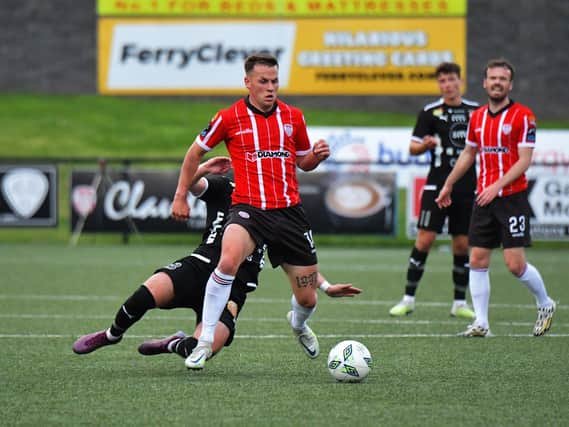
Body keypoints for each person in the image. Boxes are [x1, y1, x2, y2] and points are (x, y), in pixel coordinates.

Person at [72, 157, 361, 357]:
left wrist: (324, 286)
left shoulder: (278, 210)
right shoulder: (227, 188)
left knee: (203, 350)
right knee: (146, 293)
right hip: (201, 265)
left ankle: (174, 344)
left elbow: (293, 260)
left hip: (235, 286)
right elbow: (194, 186)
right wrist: (203, 168)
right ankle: (111, 335)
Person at [171, 53, 331, 370]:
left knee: (307, 298)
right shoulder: (228, 118)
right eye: (263, 82)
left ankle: (298, 325)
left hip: (290, 214)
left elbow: (304, 163)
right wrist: (181, 196)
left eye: (274, 81)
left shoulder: (293, 117)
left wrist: (317, 156)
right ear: (248, 82)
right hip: (248, 210)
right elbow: (194, 152)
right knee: (228, 259)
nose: (270, 88)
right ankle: (203, 342)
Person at [436, 58, 556, 337]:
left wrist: (497, 186)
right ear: (485, 83)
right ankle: (481, 323)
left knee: (515, 265)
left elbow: (524, 161)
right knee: (477, 260)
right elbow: (468, 153)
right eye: (493, 78)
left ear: (510, 84)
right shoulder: (476, 117)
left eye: (503, 79)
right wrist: (448, 185)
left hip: (511, 198)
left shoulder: (524, 116)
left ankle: (545, 303)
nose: (497, 83)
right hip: (484, 199)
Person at [389, 62, 478, 319]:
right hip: (435, 185)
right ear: (439, 84)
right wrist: (425, 145)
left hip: (465, 187)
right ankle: (408, 299)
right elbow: (412, 147)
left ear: (459, 81)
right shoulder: (430, 112)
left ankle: (459, 303)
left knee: (462, 245)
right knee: (425, 240)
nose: (447, 85)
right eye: (442, 81)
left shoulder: (475, 111)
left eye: (451, 79)